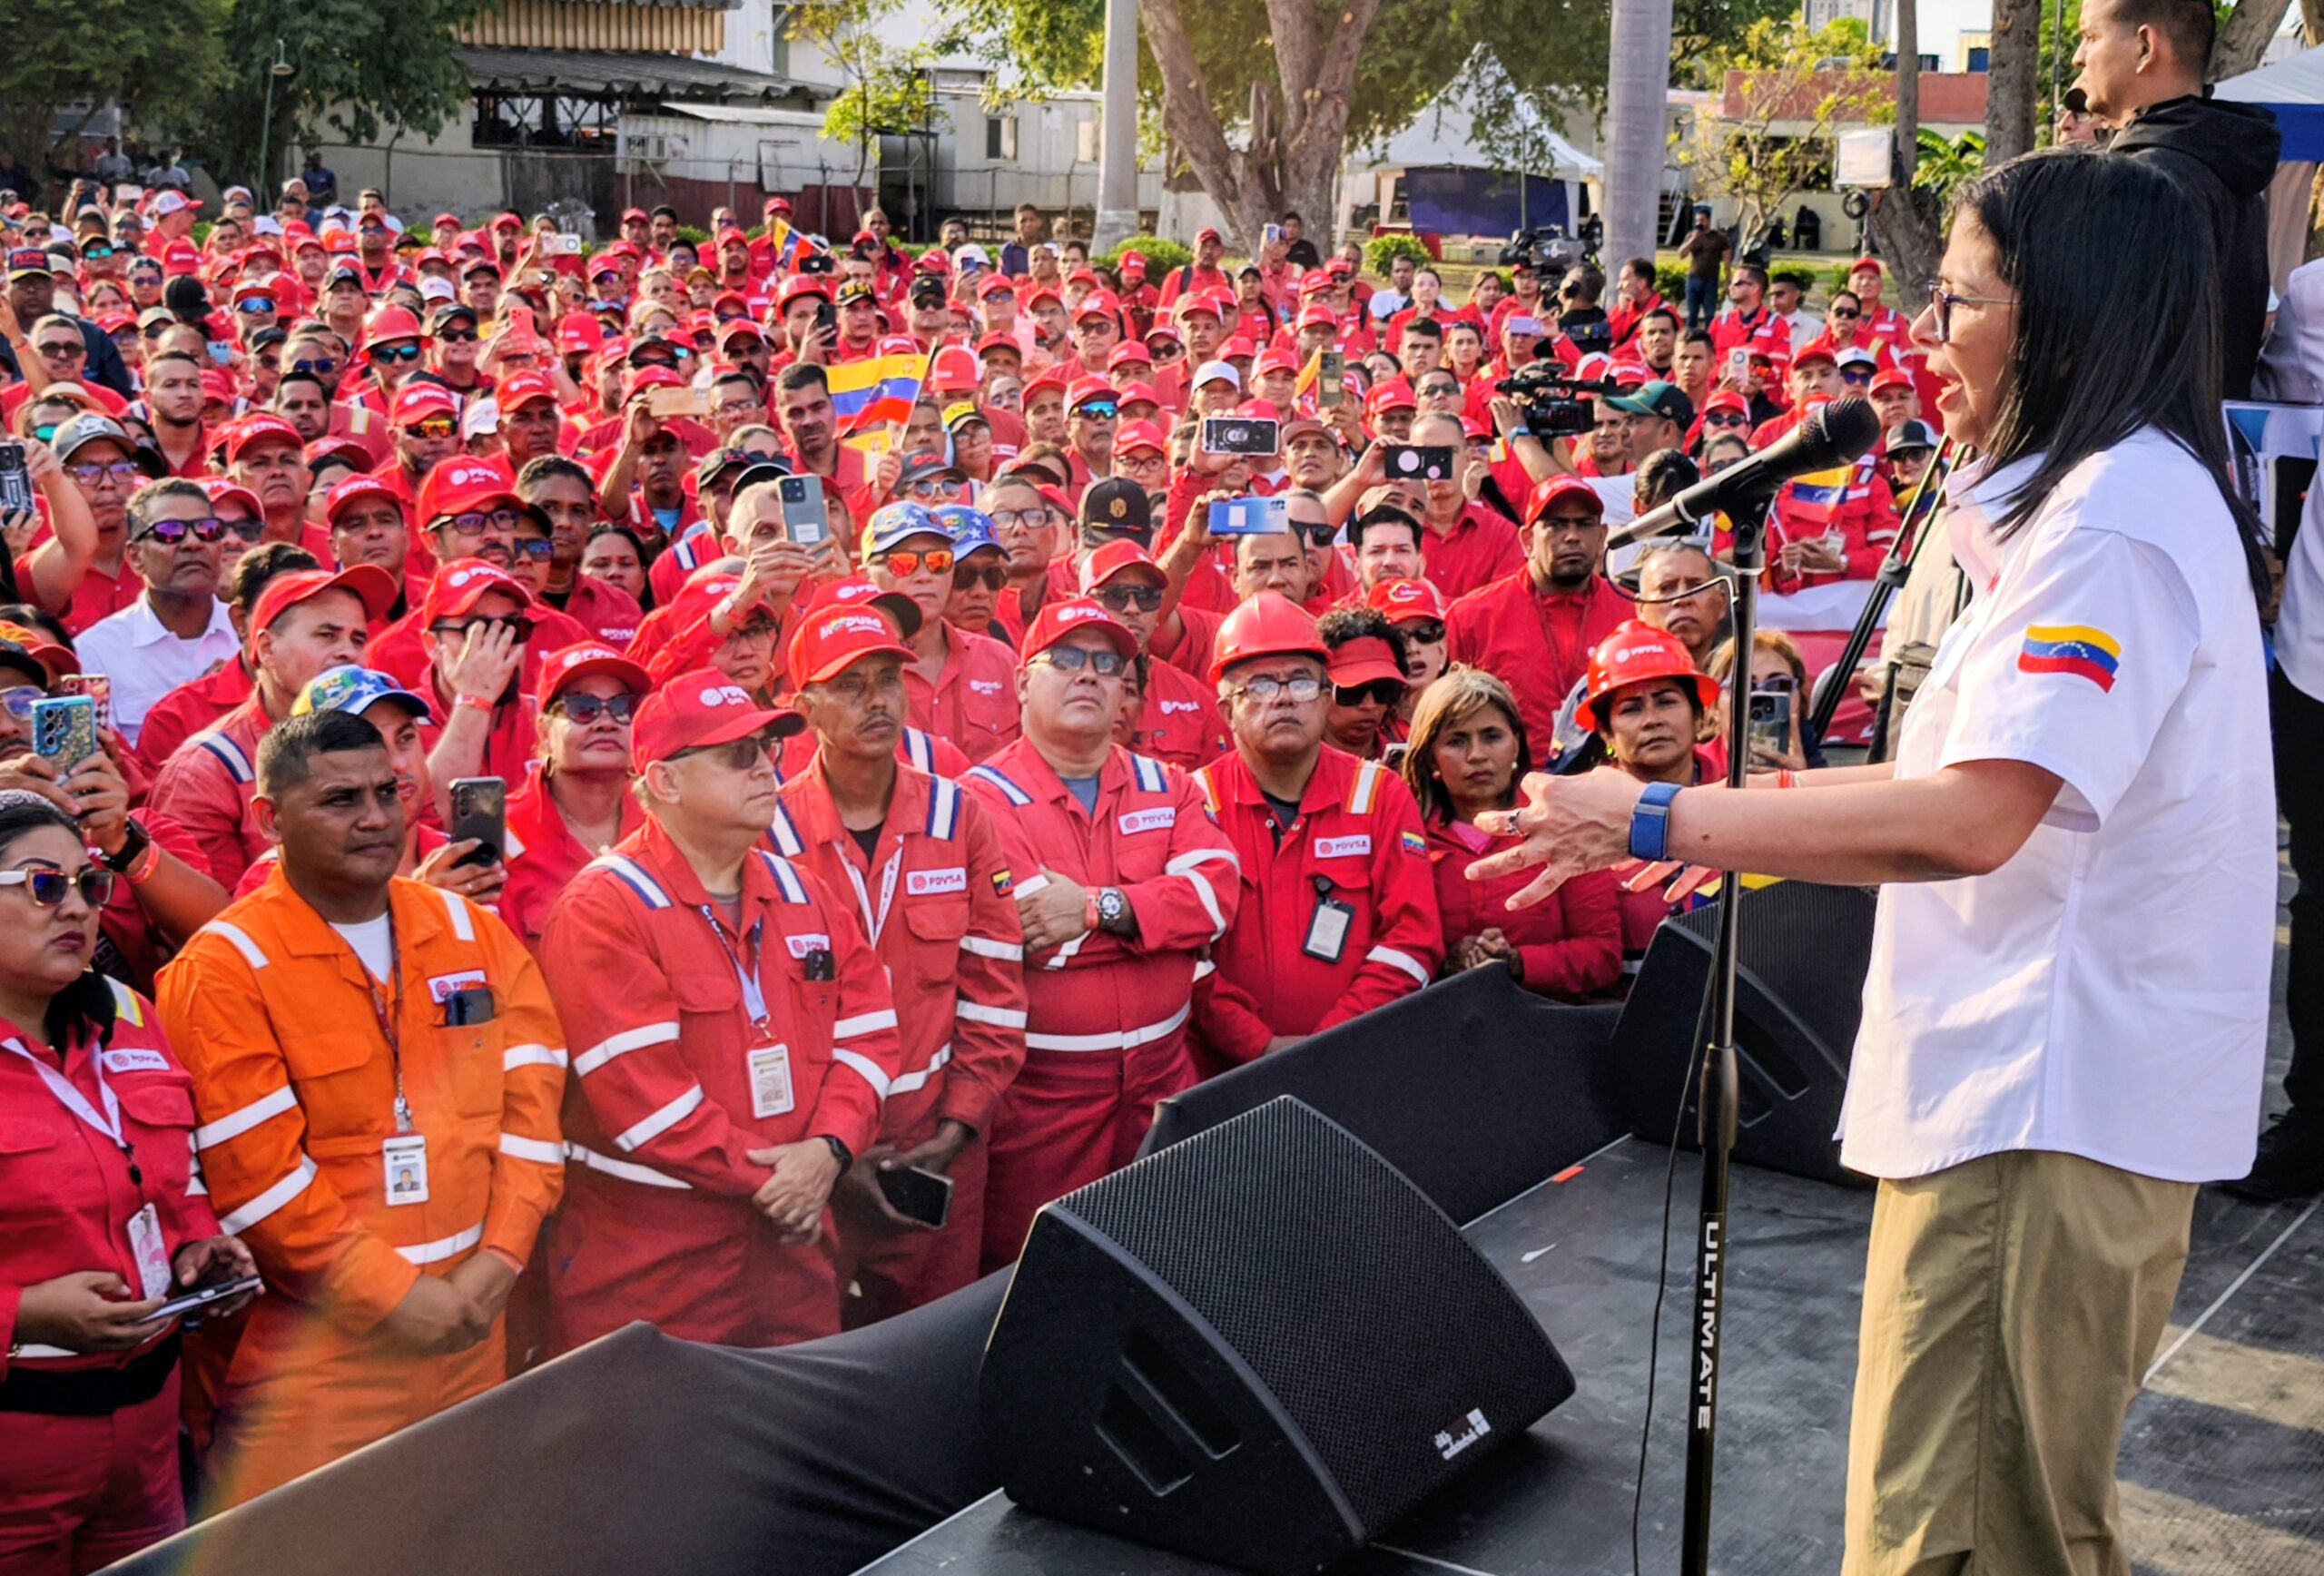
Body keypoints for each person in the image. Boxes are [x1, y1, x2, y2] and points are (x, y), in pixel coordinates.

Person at [1468, 150, 2273, 1576]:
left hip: (2040, 1108)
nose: (1923, 335)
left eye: (1957, 299)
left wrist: (1655, 821)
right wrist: (1735, 805)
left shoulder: (2111, 525)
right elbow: (1970, 779)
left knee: (1965, 1537)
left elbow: (1971, 820)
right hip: (2033, 1100)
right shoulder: (2096, 505)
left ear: (2061, 315)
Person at [158, 708, 567, 1507]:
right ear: (269, 820)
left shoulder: (469, 930)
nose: (377, 818)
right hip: (315, 1366)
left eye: (388, 792)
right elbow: (258, 1181)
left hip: (472, 1326)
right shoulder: (224, 969)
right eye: (341, 800)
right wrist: (403, 1300)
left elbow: (533, 1112)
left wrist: (500, 1260)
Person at [537, 669, 902, 1354]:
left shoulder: (804, 891)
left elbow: (871, 1033)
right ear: (665, 782)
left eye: (768, 749)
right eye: (737, 755)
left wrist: (828, 1150)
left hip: (791, 1250)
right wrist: (786, 1181)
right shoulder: (604, 909)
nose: (765, 768)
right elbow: (644, 1101)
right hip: (654, 1265)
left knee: (795, 1413)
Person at [0, 793, 258, 1571]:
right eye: (44, 886)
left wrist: (199, 1243)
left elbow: (175, 1174)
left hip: (148, 1434)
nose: (77, 907)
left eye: (89, 884)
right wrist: (23, 1314)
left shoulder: (128, 1012)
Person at [960, 600, 1238, 1268]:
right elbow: (1035, 931)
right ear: (1022, 682)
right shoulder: (977, 799)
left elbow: (1216, 898)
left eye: (1107, 664)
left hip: (1163, 1087)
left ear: (1123, 690)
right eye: (1066, 658)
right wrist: (1158, 928)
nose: (1089, 674)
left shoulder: (1169, 785)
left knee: (1171, 1265)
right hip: (1041, 1102)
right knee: (1038, 1276)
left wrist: (1094, 908)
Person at [772, 604, 1026, 1321]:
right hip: (813, 1162)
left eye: (888, 680)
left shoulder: (958, 815)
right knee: (816, 1350)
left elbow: (995, 985)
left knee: (938, 1344)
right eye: (850, 686)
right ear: (804, 708)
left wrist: (961, 1122)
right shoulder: (769, 831)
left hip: (935, 1147)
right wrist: (831, 1151)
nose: (877, 700)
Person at [1189, 594, 1440, 1070]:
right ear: (1226, 711)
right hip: (1223, 1076)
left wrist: (1326, 1046)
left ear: (1326, 699)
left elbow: (1412, 940)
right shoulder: (1193, 803)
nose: (1284, 698)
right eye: (1261, 685)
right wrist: (1255, 1046)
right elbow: (1182, 957)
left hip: (1356, 1067)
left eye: (1301, 681)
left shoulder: (1380, 795)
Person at [2070, 0, 2278, 396]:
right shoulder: (2229, 172)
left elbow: (2101, 353)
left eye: (2090, 36)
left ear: (2145, 47)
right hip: (2207, 431)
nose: (2079, 57)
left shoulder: (2140, 183)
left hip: (2127, 429)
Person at [149, 565, 396, 888]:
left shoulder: (388, 738)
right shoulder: (204, 772)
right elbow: (209, 912)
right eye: (327, 635)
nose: (348, 652)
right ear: (267, 649)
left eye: (358, 639)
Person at [1400, 668, 1620, 999]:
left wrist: (1518, 962)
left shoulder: (1565, 822)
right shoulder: (1405, 837)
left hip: (1551, 1017)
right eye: (1457, 741)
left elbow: (1603, 954)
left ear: (1516, 744)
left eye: (1492, 736)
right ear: (1430, 757)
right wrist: (1446, 962)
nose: (1476, 755)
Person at [1444, 476, 1631, 752]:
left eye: (1584, 524)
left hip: (1607, 776)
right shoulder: (1471, 618)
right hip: (1511, 777)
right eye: (1555, 525)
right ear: (1527, 540)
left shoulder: (1631, 614)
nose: (1572, 536)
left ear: (1602, 536)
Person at [498, 643, 648, 953]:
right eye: (582, 707)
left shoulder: (666, 821)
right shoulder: (502, 834)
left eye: (623, 707)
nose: (606, 722)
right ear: (543, 732)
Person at [73, 479, 243, 748]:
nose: (193, 543)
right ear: (135, 557)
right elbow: (104, 759)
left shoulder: (250, 633)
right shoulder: (95, 653)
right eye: (170, 532)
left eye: (206, 530)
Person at [1676, 209, 1728, 331]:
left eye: (1702, 220)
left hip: (1710, 280)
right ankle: (1690, 336)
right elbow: (1681, 255)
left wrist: (1727, 280)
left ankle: (1709, 336)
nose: (1699, 223)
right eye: (1697, 221)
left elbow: (1727, 260)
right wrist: (1693, 239)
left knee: (1709, 313)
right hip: (1693, 278)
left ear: (1709, 221)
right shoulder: (1692, 236)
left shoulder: (1719, 238)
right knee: (1692, 312)